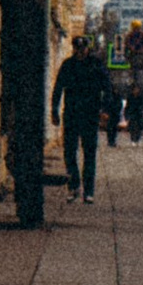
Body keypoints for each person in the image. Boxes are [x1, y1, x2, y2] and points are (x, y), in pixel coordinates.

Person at [53, 35, 107, 199]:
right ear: (74, 49)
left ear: (87, 49)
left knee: (89, 153)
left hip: (90, 114)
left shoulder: (96, 65)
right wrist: (54, 110)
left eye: (83, 49)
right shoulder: (68, 65)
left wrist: (104, 109)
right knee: (69, 152)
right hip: (71, 113)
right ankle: (74, 185)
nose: (80, 52)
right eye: (77, 49)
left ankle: (89, 191)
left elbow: (107, 87)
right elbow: (58, 88)